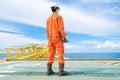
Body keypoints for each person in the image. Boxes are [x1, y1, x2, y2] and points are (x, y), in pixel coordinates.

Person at [46, 5, 69, 76]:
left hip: (50, 38)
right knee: (60, 52)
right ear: (56, 9)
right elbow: (61, 28)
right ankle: (61, 71)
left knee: (51, 53)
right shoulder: (58, 17)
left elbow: (47, 30)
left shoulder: (48, 19)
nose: (58, 11)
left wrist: (49, 38)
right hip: (57, 37)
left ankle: (49, 70)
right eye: (58, 9)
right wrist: (64, 37)